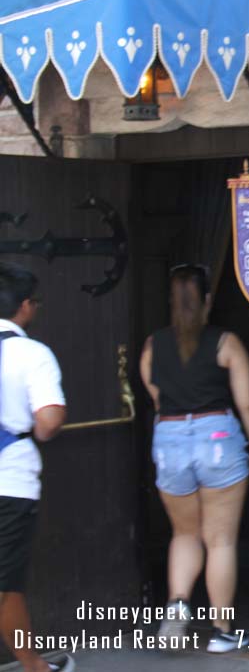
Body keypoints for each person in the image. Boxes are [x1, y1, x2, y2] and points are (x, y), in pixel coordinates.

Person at [139, 264, 249, 653]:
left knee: (184, 534)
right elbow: (246, 401)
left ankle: (176, 612)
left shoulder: (151, 346)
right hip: (218, 438)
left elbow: (158, 399)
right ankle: (222, 631)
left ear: (171, 303)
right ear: (208, 301)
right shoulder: (225, 343)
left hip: (170, 437)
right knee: (220, 539)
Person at [0, 263, 73, 672]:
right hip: (10, 480)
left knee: (6, 583)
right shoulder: (33, 354)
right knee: (3, 580)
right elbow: (48, 420)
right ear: (26, 306)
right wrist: (41, 432)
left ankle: (33, 666)